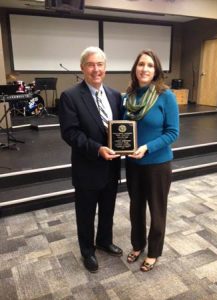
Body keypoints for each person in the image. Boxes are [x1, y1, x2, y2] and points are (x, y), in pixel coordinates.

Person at [59, 46, 123, 273]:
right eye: (91, 64)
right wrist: (98, 149)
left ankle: (104, 241)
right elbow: (70, 133)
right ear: (82, 67)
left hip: (112, 167)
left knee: (108, 209)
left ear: (105, 68)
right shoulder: (70, 96)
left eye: (100, 64)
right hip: (88, 167)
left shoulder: (115, 95)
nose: (96, 69)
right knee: (85, 214)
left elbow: (121, 130)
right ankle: (87, 251)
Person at [123, 49, 179, 272]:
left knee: (157, 211)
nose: (144, 69)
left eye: (149, 65)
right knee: (136, 208)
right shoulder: (128, 96)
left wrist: (147, 148)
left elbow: (172, 132)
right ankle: (138, 245)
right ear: (135, 68)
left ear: (156, 70)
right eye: (140, 64)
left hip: (157, 164)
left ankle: (154, 251)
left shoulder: (166, 96)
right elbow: (122, 129)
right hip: (133, 164)